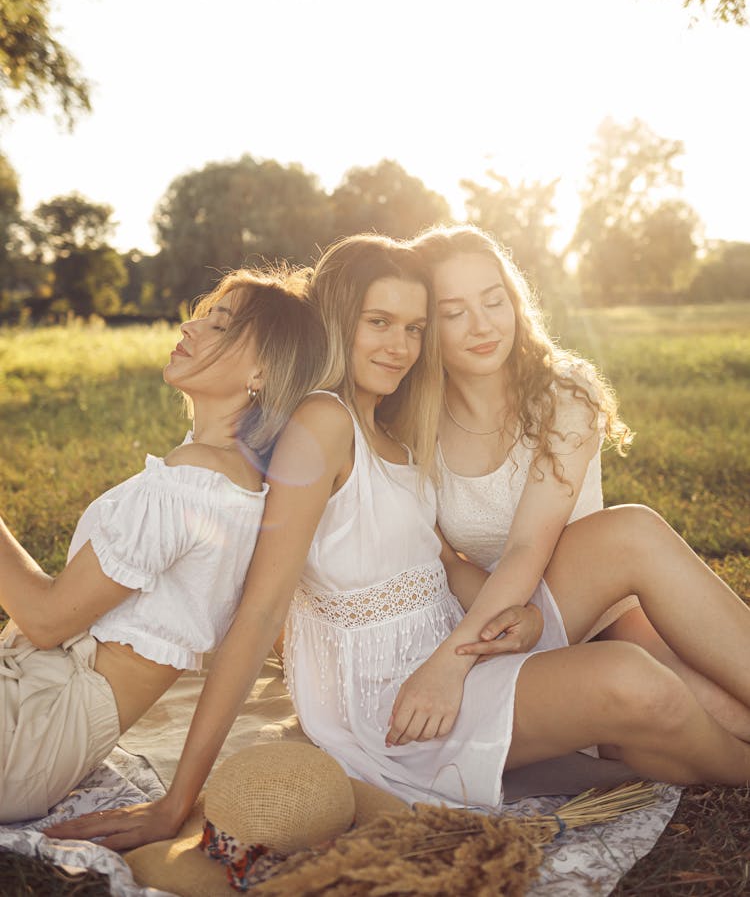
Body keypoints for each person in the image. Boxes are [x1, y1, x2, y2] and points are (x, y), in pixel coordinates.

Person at [49, 233, 750, 852]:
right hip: (385, 697)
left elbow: (442, 565)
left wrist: (526, 621)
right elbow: (259, 615)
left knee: (633, 562)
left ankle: (663, 738)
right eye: (378, 322)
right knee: (636, 683)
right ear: (335, 323)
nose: (399, 345)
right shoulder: (323, 424)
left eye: (413, 327)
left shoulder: (396, 425)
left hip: (454, 643)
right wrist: (179, 797)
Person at [396, 223, 750, 744]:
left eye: (494, 301)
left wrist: (451, 662)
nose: (482, 325)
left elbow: (525, 547)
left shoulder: (564, 392)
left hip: (595, 605)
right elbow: (446, 560)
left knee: (730, 716)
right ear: (425, 325)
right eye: (454, 313)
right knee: (671, 720)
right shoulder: (411, 422)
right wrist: (491, 632)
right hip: (498, 621)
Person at [0, 266, 325, 823]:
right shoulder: (231, 478)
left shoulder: (192, 484)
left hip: (32, 729)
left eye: (219, 326)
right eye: (201, 317)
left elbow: (48, 620)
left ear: (262, 371)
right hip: (41, 716)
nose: (190, 329)